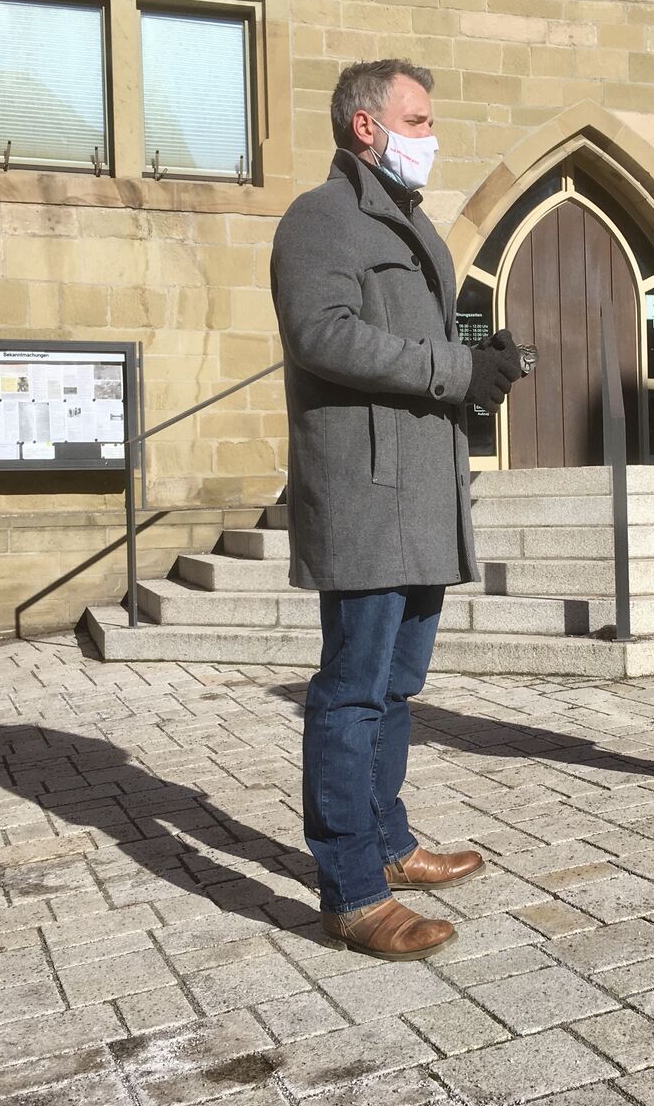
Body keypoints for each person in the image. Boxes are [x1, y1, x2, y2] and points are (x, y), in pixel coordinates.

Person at [270, 59, 524, 959]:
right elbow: (322, 334)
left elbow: (413, 347)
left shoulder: (413, 227)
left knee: (397, 687)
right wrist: (456, 368)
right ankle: (351, 891)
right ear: (366, 127)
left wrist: (479, 360)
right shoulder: (321, 217)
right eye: (417, 120)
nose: (431, 135)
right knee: (351, 691)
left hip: (424, 491)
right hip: (367, 495)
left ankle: (388, 840)